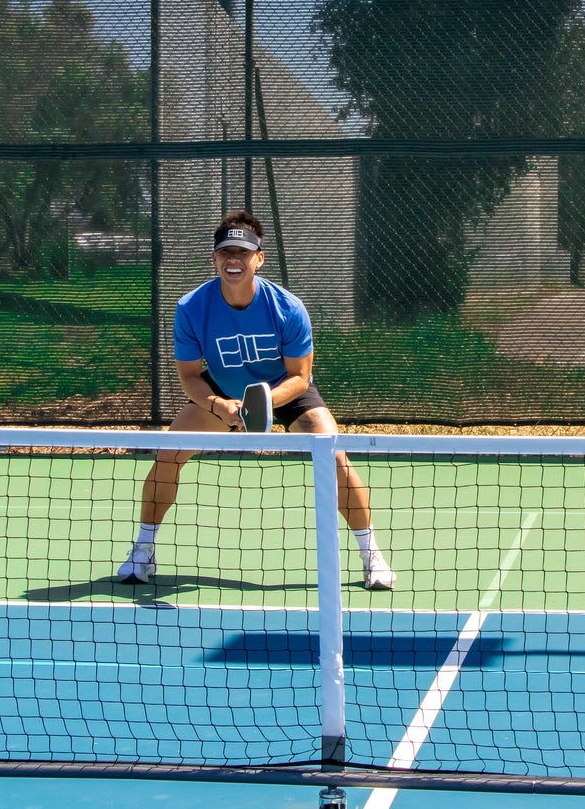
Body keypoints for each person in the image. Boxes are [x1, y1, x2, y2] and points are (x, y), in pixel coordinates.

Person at [118, 209, 396, 590]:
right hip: (222, 393)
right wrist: (219, 405)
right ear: (215, 258)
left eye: (243, 253)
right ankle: (143, 552)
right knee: (168, 453)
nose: (234, 260)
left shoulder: (288, 308)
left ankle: (372, 556)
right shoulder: (190, 308)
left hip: (285, 391)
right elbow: (188, 377)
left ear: (259, 258)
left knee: (334, 457)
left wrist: (260, 401)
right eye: (226, 253)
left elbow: (299, 376)